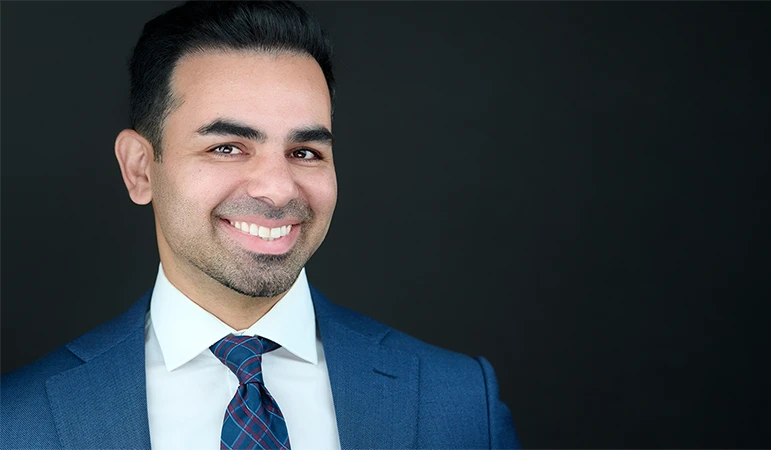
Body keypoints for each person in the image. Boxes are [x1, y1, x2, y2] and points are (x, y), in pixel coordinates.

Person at [0, 0, 520, 448]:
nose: (277, 187)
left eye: (305, 151)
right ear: (140, 169)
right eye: (227, 147)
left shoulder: (459, 402)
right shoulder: (18, 423)